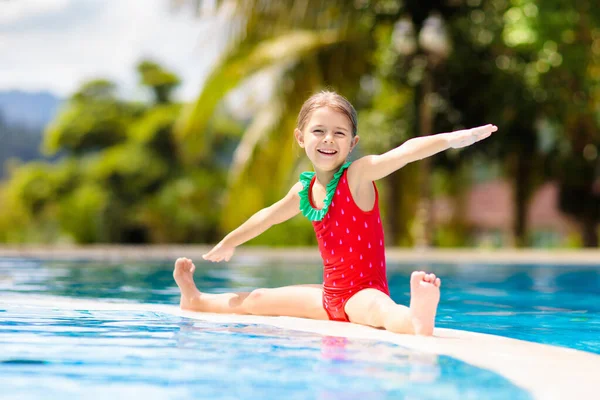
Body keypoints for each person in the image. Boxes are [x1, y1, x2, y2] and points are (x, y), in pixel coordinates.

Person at [174, 91, 497, 336]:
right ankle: (195, 300)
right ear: (301, 138)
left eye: (339, 133)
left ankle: (416, 319)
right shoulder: (304, 190)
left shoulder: (357, 176)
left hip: (364, 291)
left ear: (352, 142)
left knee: (381, 312)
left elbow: (405, 153)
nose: (329, 139)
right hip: (329, 296)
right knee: (257, 298)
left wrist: (456, 139)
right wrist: (230, 242)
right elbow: (268, 216)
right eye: (319, 131)